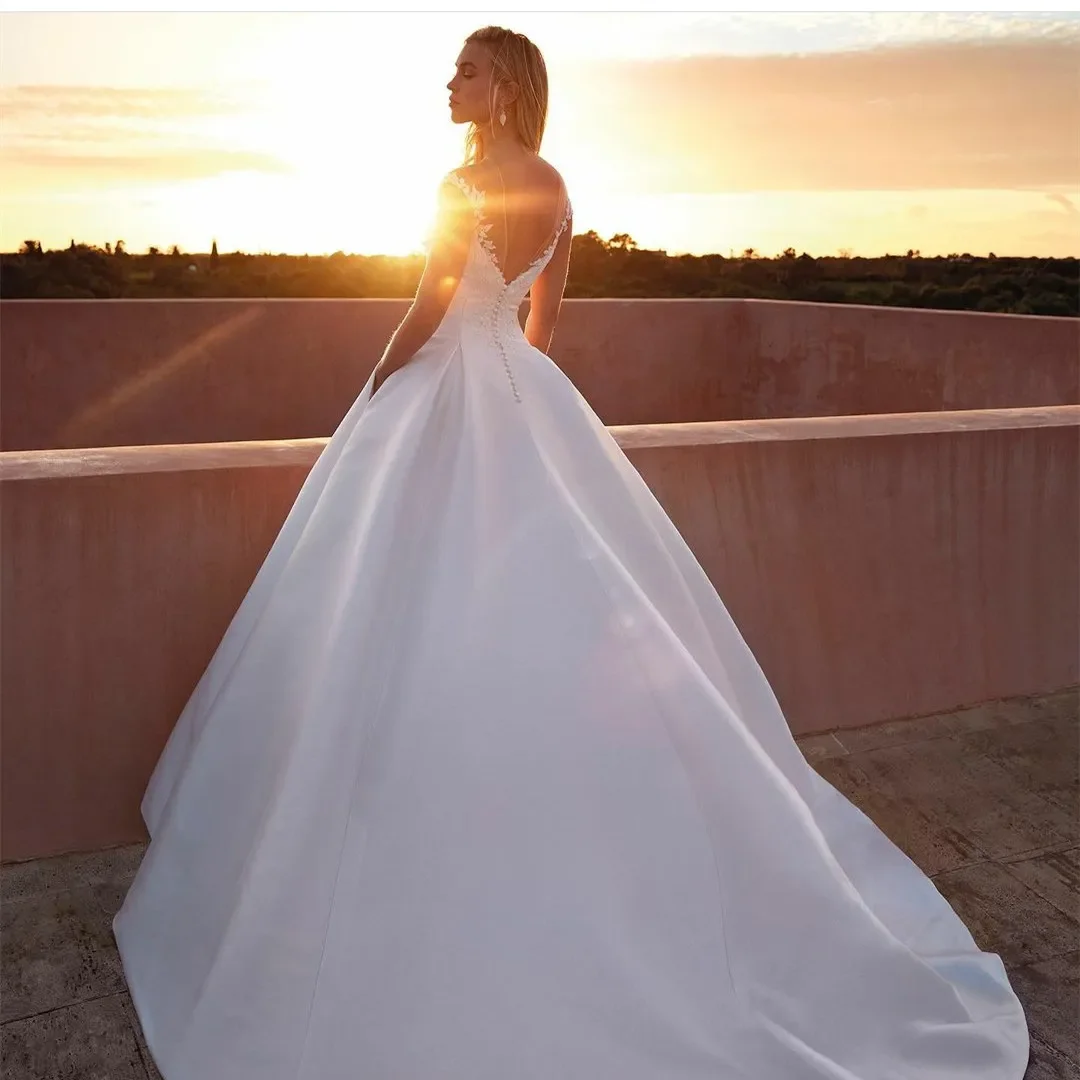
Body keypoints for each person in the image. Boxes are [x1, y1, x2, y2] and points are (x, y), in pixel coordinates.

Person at [113, 25, 1029, 1080]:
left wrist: (369, 399)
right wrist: (507, 390)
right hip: (526, 395)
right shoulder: (557, 187)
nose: (448, 82)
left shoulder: (463, 185)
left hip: (444, 386)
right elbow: (542, 325)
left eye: (463, 68)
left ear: (501, 83)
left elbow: (422, 309)